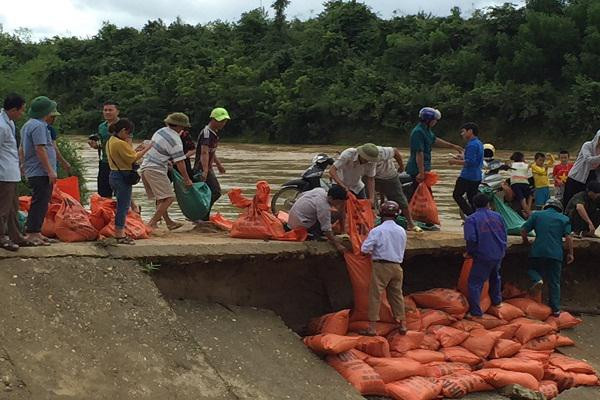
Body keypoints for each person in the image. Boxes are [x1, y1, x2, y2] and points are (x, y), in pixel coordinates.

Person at [361, 201, 408, 336]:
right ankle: (402, 324)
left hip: (381, 266)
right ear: (397, 215)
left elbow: (365, 248)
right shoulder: (401, 231)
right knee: (397, 295)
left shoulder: (377, 230)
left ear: (381, 214)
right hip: (397, 266)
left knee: (375, 295)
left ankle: (372, 327)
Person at [521, 198, 574, 317]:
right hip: (556, 253)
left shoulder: (537, 215)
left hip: (538, 251)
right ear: (559, 209)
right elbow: (569, 238)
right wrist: (570, 253)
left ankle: (537, 279)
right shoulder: (564, 219)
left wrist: (525, 242)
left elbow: (523, 230)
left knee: (532, 269)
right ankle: (555, 310)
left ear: (546, 206)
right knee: (554, 282)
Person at [140, 112, 193, 230]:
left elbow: (157, 150)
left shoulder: (161, 131)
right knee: (169, 198)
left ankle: (169, 222)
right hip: (155, 169)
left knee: (162, 198)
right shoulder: (175, 140)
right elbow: (180, 161)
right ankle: (152, 223)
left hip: (146, 167)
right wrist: (187, 179)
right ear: (180, 127)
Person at [21, 96, 60, 246]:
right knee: (40, 201)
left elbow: (21, 148)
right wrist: (50, 170)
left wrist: (22, 164)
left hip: (35, 170)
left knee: (42, 201)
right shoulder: (39, 126)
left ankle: (36, 231)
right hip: (40, 171)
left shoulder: (28, 125)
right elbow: (40, 148)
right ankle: (32, 232)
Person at [106, 119, 153, 244]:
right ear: (123, 131)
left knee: (122, 205)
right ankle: (120, 234)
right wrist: (147, 148)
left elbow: (127, 155)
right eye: (128, 134)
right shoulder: (120, 143)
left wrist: (137, 149)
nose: (129, 137)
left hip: (114, 174)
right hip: (122, 176)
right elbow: (132, 158)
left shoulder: (111, 141)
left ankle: (119, 231)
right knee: (124, 207)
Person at [463, 193, 508, 317]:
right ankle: (497, 302)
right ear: (488, 204)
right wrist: (502, 249)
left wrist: (470, 253)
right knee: (495, 277)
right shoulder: (498, 216)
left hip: (482, 254)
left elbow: (471, 239)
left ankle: (476, 312)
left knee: (475, 282)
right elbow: (505, 233)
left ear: (474, 205)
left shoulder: (471, 219)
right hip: (498, 253)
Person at [405, 107, 462, 198]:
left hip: (424, 168)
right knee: (424, 196)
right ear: (429, 120)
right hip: (417, 169)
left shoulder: (426, 130)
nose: (435, 122)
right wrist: (421, 172)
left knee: (425, 195)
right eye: (435, 120)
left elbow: (434, 140)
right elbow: (419, 153)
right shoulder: (418, 132)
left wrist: (453, 146)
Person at [0, 94, 31, 250]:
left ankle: (16, 236)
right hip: (3, 173)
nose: (22, 114)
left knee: (13, 207)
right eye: (21, 110)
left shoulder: (9, 123)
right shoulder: (2, 126)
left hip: (11, 172)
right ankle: (1, 238)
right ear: (13, 109)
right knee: (3, 208)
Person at [193, 108, 230, 219]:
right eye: (220, 121)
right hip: (201, 168)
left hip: (208, 168)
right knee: (215, 192)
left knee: (211, 193)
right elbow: (204, 152)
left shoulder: (214, 133)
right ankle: (202, 217)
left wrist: (218, 165)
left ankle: (203, 217)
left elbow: (211, 151)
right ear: (213, 119)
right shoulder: (206, 133)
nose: (223, 123)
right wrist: (204, 170)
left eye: (224, 121)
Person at [287, 185, 347, 252]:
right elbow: (326, 228)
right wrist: (338, 245)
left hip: (294, 218)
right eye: (338, 202)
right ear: (330, 198)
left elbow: (301, 195)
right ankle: (315, 235)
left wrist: (343, 232)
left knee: (335, 213)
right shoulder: (323, 207)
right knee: (333, 216)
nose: (339, 204)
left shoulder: (320, 190)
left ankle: (340, 232)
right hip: (300, 225)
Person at [374, 146, 420, 231]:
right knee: (369, 200)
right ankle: (373, 221)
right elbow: (369, 179)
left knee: (400, 199)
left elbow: (395, 151)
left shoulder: (382, 152)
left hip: (389, 176)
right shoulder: (358, 157)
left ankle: (411, 223)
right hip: (372, 176)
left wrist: (401, 166)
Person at [450, 122, 483, 216]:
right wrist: (462, 158)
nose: (462, 134)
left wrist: (454, 162)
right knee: (472, 198)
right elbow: (474, 159)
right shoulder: (479, 143)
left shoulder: (471, 145)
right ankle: (477, 216)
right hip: (477, 176)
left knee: (457, 195)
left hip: (467, 176)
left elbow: (470, 162)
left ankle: (471, 215)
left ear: (470, 131)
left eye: (463, 132)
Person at [88, 101, 120, 198]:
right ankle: (107, 212)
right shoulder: (101, 126)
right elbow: (101, 144)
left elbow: (128, 143)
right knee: (103, 192)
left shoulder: (123, 125)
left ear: (117, 112)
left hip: (119, 163)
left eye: (110, 110)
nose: (107, 112)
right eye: (105, 110)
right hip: (104, 161)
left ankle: (132, 210)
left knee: (121, 192)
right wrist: (95, 145)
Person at [562, 131, 600, 207]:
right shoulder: (587, 145)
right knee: (569, 200)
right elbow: (588, 160)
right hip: (576, 176)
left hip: (591, 176)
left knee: (587, 201)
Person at [509, 151, 533, 218]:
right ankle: (528, 210)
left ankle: (528, 212)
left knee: (522, 199)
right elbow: (529, 175)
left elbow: (509, 174)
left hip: (515, 184)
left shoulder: (511, 164)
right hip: (525, 183)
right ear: (522, 158)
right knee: (530, 195)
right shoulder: (526, 165)